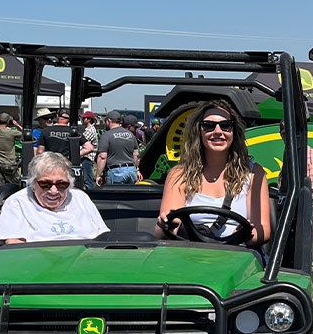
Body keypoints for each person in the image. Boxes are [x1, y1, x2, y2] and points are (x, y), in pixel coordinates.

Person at [155, 101, 270, 244]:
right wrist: (165, 226)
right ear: (198, 131)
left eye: (226, 125)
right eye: (208, 126)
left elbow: (263, 230)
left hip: (239, 253)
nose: (218, 132)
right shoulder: (179, 174)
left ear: (234, 131)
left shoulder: (253, 173)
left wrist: (246, 234)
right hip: (191, 254)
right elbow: (165, 230)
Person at [0, 152, 109, 243]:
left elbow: (104, 236)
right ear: (33, 184)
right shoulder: (17, 203)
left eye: (61, 184)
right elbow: (15, 245)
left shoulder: (80, 198)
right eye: (45, 184)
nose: (53, 191)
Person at [95, 111, 142, 186]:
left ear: (109, 121)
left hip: (116, 172)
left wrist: (98, 175)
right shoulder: (130, 135)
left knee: (115, 196)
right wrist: (136, 170)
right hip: (131, 171)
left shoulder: (106, 135)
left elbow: (102, 157)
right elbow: (136, 155)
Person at [78, 111, 100, 190]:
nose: (82, 119)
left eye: (84, 118)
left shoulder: (90, 130)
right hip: (86, 157)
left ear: (89, 119)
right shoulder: (89, 129)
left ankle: (91, 196)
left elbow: (81, 141)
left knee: (88, 180)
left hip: (87, 157)